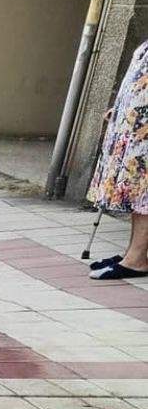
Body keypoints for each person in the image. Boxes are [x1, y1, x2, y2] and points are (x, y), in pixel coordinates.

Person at [86, 40, 148, 280]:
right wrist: (122, 107)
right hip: (135, 128)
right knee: (137, 194)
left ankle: (136, 259)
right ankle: (133, 254)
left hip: (143, 131)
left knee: (144, 195)